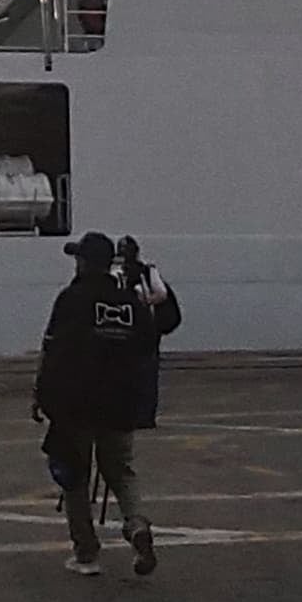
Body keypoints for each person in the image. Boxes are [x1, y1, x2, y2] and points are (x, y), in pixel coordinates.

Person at [35, 232, 181, 577]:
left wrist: (42, 396)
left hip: (78, 403)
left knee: (74, 477)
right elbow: (151, 342)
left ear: (84, 262)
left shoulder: (72, 298)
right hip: (122, 403)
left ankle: (87, 552)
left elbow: (53, 351)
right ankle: (136, 525)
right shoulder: (130, 302)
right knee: (122, 470)